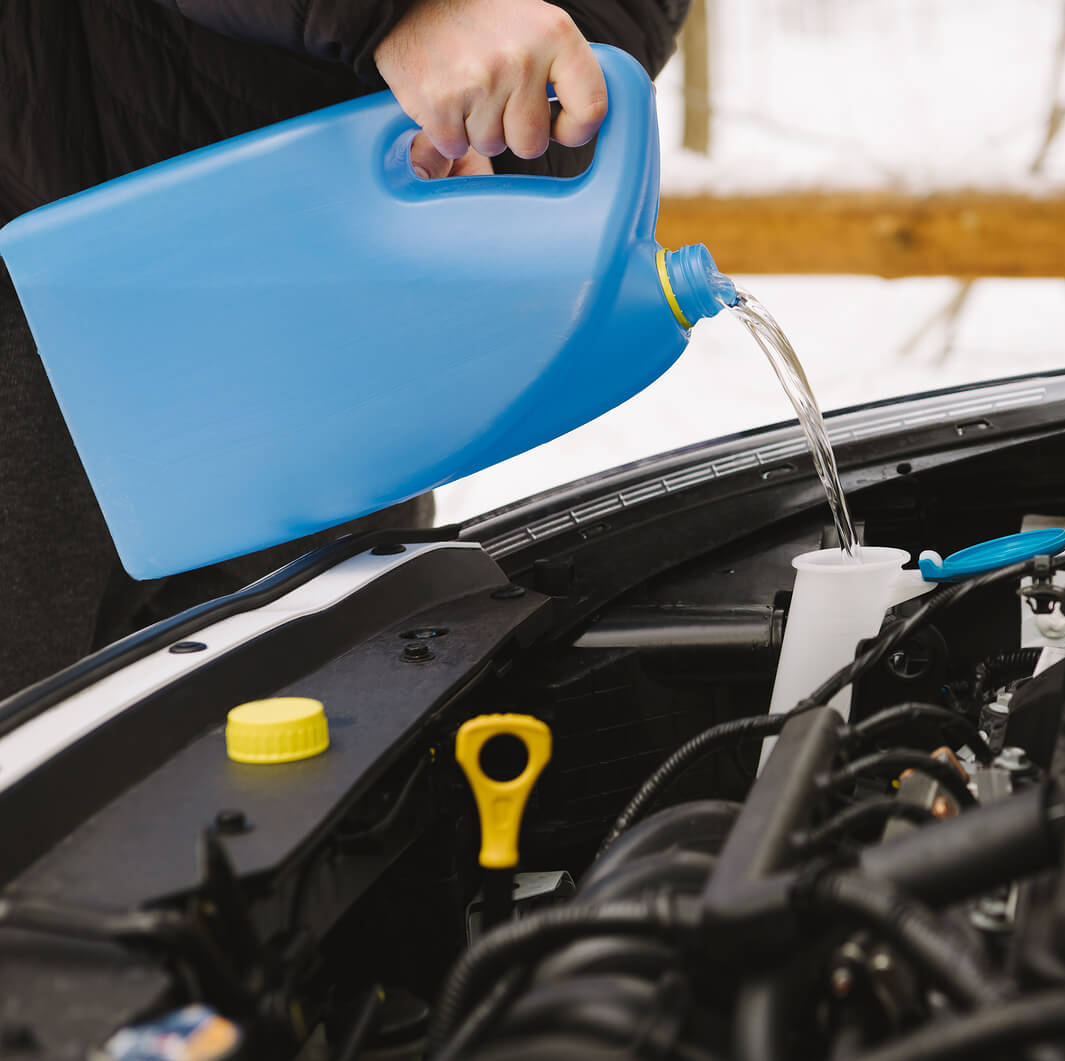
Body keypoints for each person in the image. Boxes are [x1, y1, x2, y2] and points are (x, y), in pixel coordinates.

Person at [0, 0, 689, 698]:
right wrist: (403, 13)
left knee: (307, 737)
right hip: (53, 236)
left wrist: (508, 127)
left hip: (349, 284)